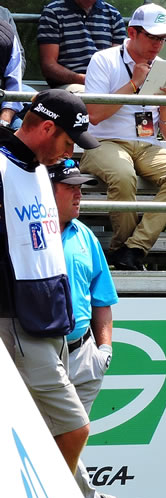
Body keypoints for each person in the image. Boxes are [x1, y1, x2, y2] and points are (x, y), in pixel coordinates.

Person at [0, 90, 99, 476]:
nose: (70, 152)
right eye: (68, 141)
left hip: (51, 321)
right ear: (45, 128)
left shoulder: (41, 170)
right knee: (75, 429)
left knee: (36, 432)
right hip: (19, 320)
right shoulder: (4, 169)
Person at [81, 3, 166, 271]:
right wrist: (134, 85)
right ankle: (124, 252)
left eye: (162, 38)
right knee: (122, 174)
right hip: (103, 141)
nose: (158, 44)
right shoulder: (104, 59)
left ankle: (132, 249)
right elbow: (93, 114)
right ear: (132, 32)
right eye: (152, 37)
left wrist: (164, 109)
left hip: (147, 145)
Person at [49, 158, 119, 498]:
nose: (79, 195)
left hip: (83, 354)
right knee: (56, 438)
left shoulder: (86, 237)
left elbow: (101, 298)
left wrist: (104, 349)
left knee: (61, 438)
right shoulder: (28, 234)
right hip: (41, 353)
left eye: (81, 188)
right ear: (49, 191)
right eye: (70, 188)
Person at [37, 0, 126, 91]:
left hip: (107, 84)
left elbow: (119, 61)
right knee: (89, 97)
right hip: (72, 85)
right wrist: (83, 79)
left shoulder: (113, 15)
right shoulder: (53, 12)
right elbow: (49, 65)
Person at [0, 15, 24, 128]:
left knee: (22, 137)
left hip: (1, 111)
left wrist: (4, 122)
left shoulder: (6, 36)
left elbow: (14, 86)